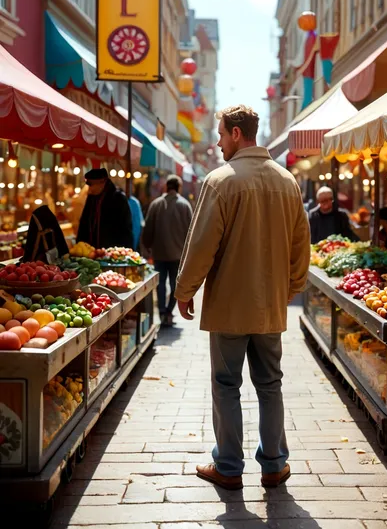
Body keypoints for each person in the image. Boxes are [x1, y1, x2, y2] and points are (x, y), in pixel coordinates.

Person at [174, 105, 310, 491]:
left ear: (236, 133)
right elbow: (302, 242)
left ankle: (229, 467)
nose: (217, 142)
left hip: (230, 307)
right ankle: (273, 465)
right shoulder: (287, 181)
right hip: (270, 306)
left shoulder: (221, 181)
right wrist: (292, 287)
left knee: (225, 384)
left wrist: (185, 291)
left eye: (220, 134)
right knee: (270, 385)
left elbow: (201, 245)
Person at [143, 175, 192, 326]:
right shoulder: (185, 205)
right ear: (179, 187)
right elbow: (191, 231)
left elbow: (148, 228)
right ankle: (169, 311)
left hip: (159, 252)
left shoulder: (156, 204)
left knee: (161, 283)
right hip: (178, 254)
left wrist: (147, 246)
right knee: (175, 284)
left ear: (166, 187)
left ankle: (163, 312)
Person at [76, 168, 133, 249]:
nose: (89, 189)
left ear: (102, 182)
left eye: (91, 185)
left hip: (112, 251)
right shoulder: (92, 197)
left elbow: (126, 228)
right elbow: (84, 223)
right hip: (90, 251)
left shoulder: (118, 198)